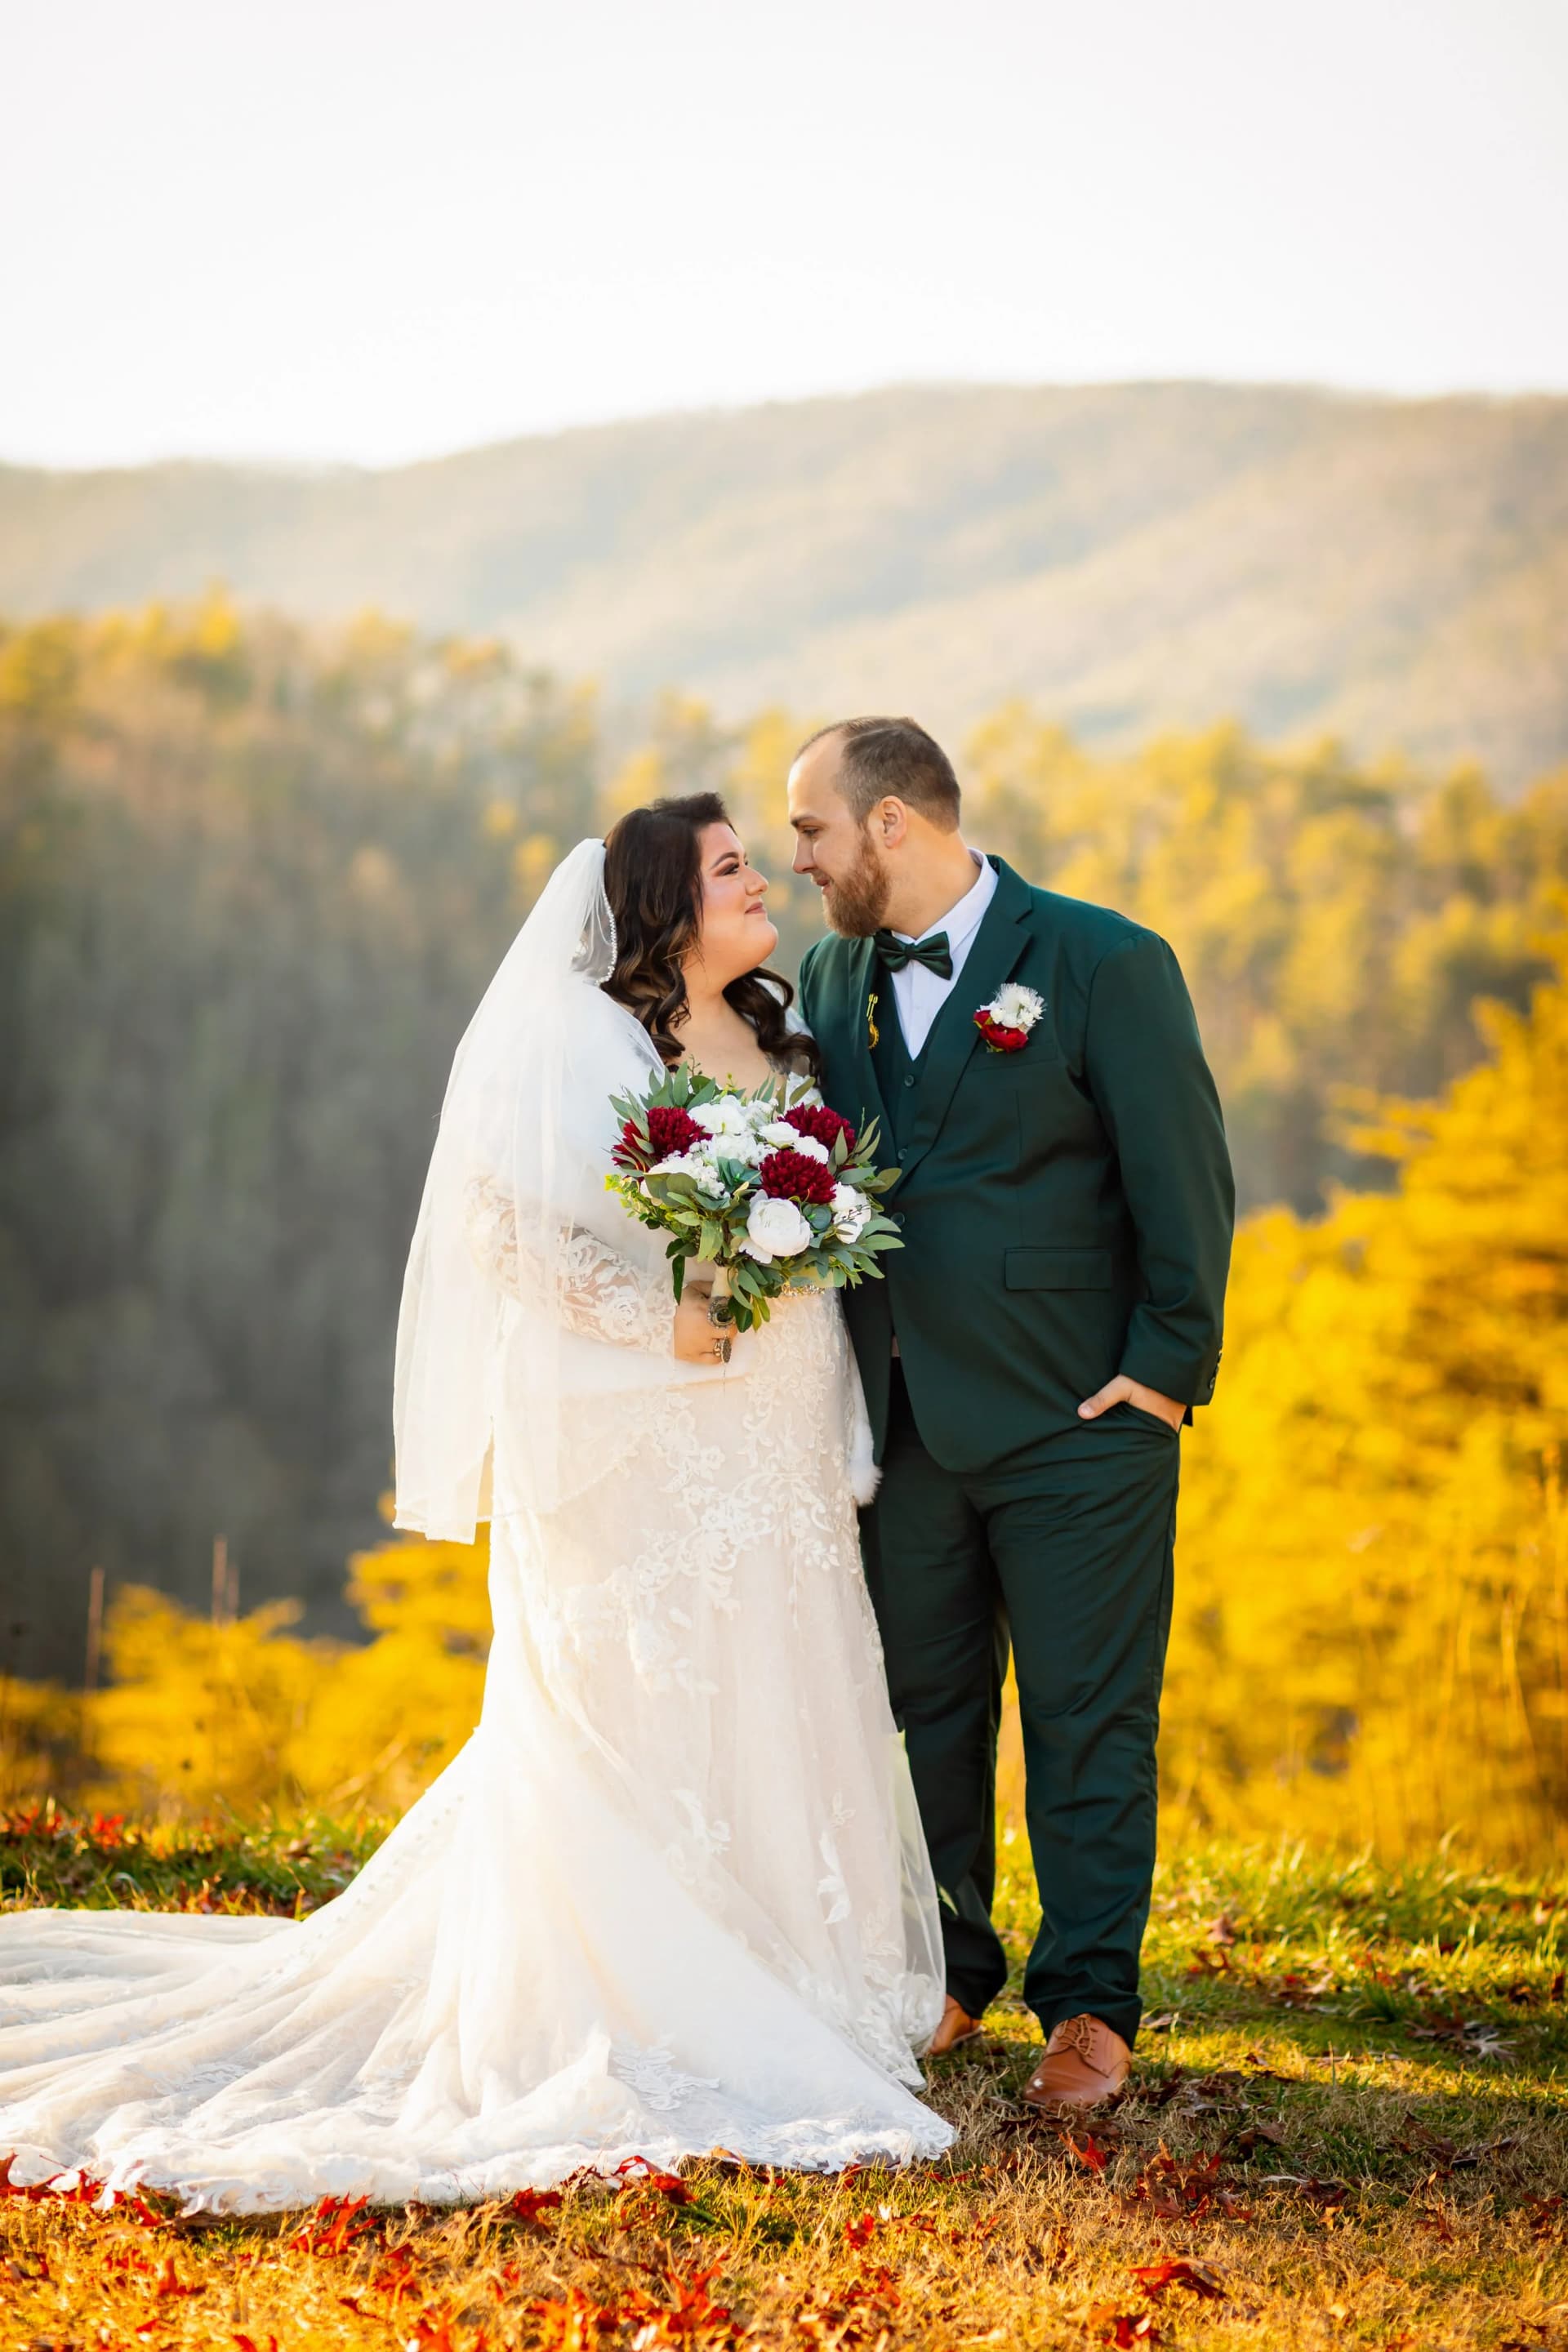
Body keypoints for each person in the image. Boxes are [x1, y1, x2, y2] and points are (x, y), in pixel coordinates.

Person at [0, 795, 950, 2212]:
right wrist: (662, 1320)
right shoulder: (589, 1040)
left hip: (779, 1423)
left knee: (784, 1665)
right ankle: (652, 1985)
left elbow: (810, 1208)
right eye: (732, 867)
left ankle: (810, 1970)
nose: (763, 881)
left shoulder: (785, 1026)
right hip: (648, 1429)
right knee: (652, 1689)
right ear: (663, 907)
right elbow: (504, 1229)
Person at [791, 719, 1235, 2109]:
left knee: (1088, 1715)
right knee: (922, 1711)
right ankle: (946, 1970)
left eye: (812, 829)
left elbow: (1185, 1176)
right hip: (903, 1422)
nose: (800, 859)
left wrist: (1164, 1369)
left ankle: (1091, 2003)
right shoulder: (832, 974)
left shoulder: (1104, 960)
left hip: (1078, 1421)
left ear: (891, 824)